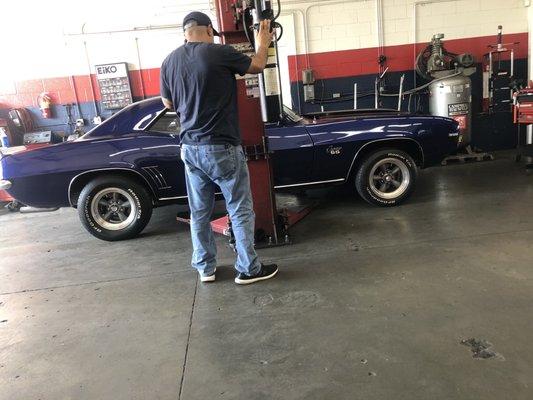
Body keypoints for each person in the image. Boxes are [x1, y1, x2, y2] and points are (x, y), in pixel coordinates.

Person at [160, 11, 278, 285]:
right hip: (221, 146)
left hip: (189, 147)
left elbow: (168, 104)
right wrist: (263, 41)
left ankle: (205, 268)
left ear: (185, 33)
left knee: (199, 211)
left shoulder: (169, 61)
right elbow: (258, 66)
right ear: (210, 30)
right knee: (239, 208)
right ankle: (248, 269)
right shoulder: (218, 52)